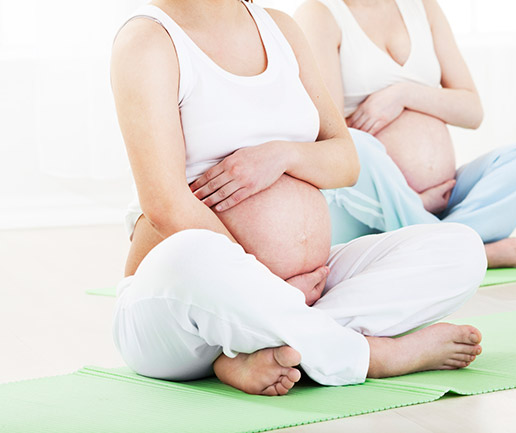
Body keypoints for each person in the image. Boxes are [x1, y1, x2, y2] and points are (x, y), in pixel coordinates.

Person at [110, 0, 487, 397]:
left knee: (460, 249)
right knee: (192, 253)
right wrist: (262, 281)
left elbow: (345, 161)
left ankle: (269, 347)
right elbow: (165, 205)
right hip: (178, 309)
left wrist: (282, 154)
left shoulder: (281, 29)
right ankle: (367, 356)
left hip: (305, 289)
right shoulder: (148, 41)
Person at [295, 0, 516, 268]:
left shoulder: (423, 6)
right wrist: (412, 201)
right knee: (356, 145)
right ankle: (463, 251)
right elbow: (328, 133)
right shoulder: (320, 13)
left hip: (443, 194)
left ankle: (439, 244)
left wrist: (403, 94)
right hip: (370, 202)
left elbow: (471, 111)